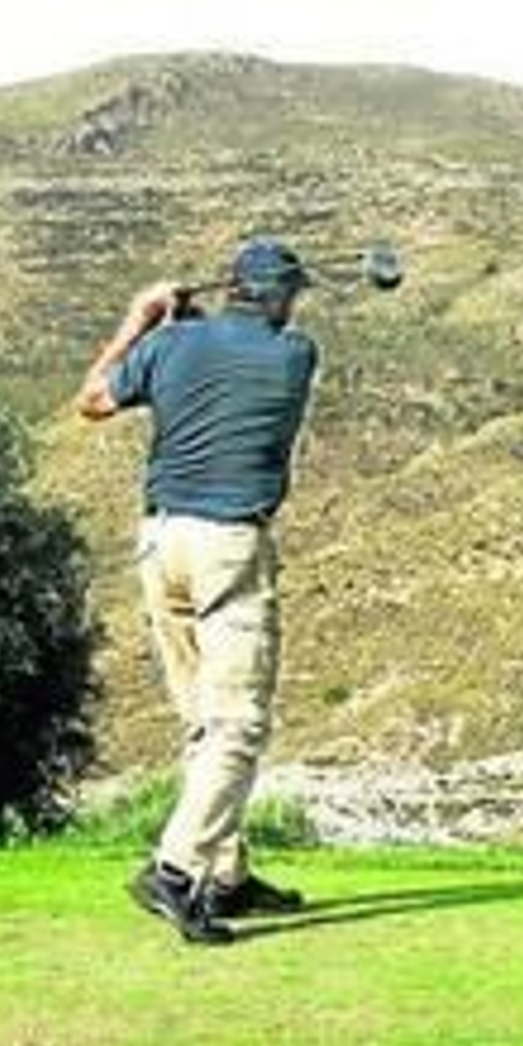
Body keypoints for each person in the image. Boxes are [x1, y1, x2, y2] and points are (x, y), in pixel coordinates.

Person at [76, 236, 319, 944]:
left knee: (203, 724)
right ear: (279, 297)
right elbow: (239, 353)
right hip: (228, 549)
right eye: (292, 295)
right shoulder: (295, 354)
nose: (295, 306)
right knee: (237, 725)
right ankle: (177, 872)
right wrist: (177, 323)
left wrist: (142, 317)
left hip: (162, 544)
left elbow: (93, 400)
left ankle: (227, 875)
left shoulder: (170, 343)